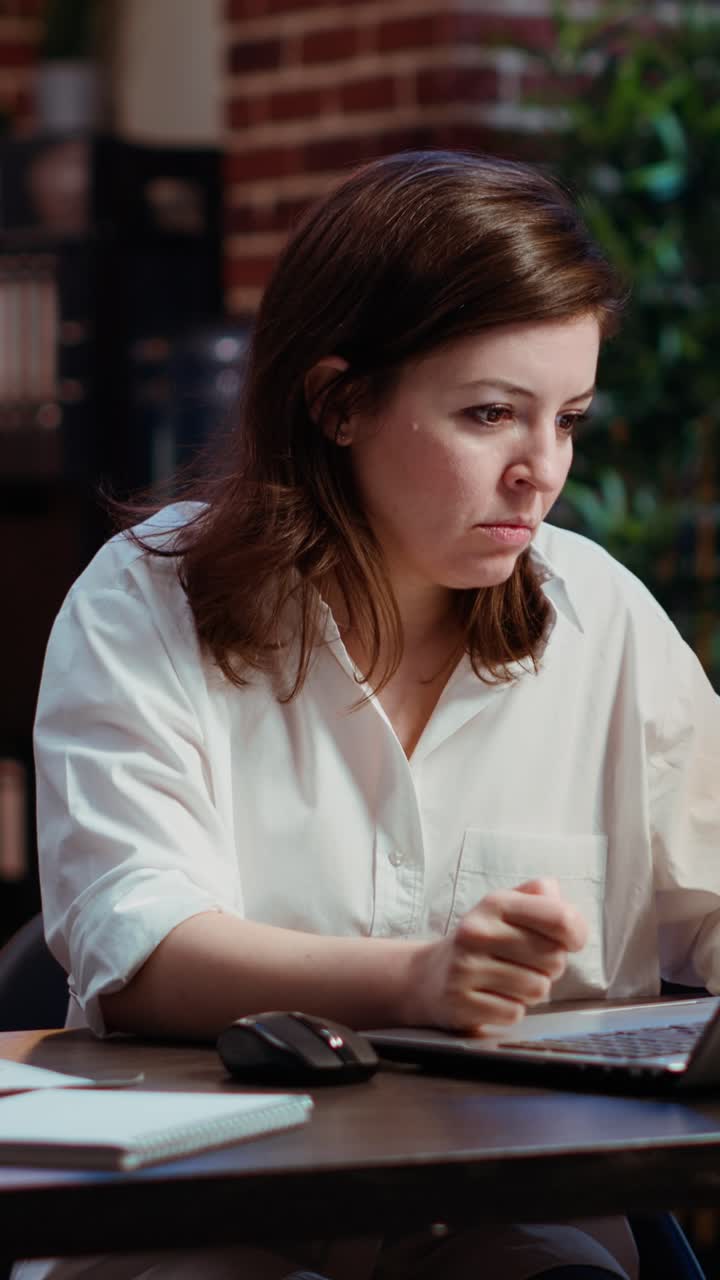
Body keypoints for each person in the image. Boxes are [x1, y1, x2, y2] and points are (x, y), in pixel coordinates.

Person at [18, 149, 720, 1280]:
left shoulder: (603, 616)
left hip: (506, 1197)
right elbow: (139, 948)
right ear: (340, 400)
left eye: (570, 418)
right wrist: (414, 978)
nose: (542, 471)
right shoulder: (145, 598)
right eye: (491, 414)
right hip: (199, 1214)